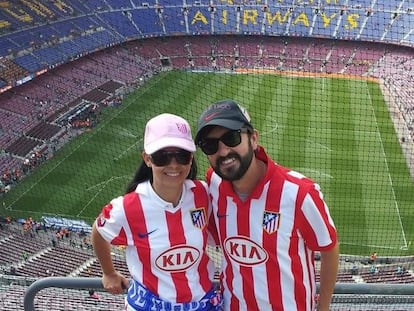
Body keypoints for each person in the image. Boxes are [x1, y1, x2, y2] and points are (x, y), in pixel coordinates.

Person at [194, 99, 339, 311]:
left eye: (231, 138)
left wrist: (323, 308)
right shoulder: (214, 182)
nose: (223, 152)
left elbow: (329, 248)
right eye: (210, 145)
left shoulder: (299, 193)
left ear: (253, 139)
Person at [91, 113, 221, 311]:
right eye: (162, 157)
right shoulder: (126, 208)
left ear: (191, 158)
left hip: (203, 303)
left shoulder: (202, 192)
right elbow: (99, 232)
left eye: (182, 155)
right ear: (147, 159)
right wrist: (108, 273)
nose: (174, 164)